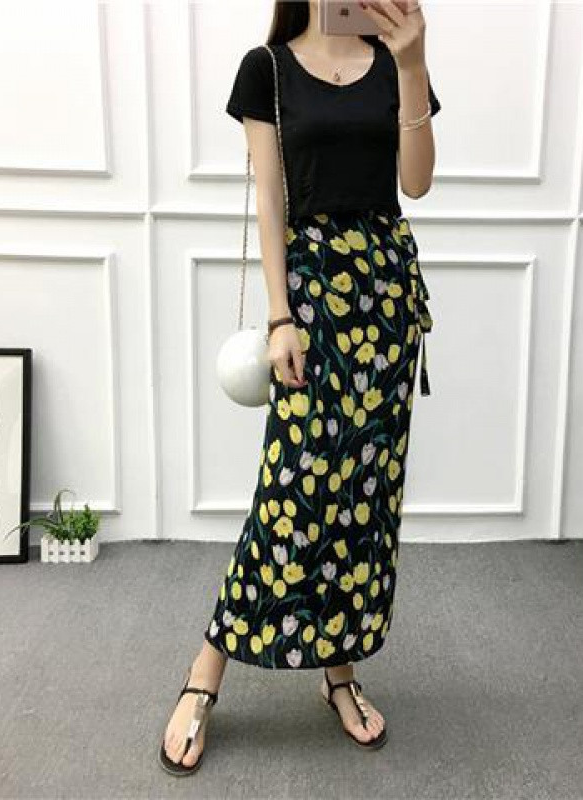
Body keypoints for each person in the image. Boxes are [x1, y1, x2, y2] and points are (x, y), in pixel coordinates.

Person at [159, 0, 440, 775]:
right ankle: (206, 671)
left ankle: (338, 672)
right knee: (292, 489)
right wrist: (280, 314)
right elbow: (271, 199)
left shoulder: (394, 61)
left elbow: (415, 184)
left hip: (384, 295)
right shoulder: (269, 70)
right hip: (313, 298)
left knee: (361, 496)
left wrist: (413, 64)